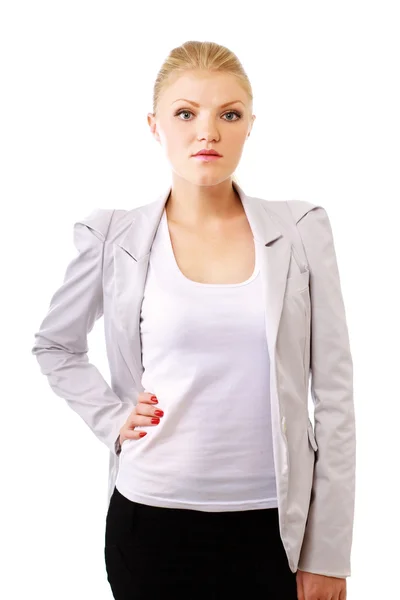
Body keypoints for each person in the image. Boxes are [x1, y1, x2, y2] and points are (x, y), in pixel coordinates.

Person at [31, 40, 355, 600]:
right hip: (150, 523)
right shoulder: (113, 237)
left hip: (275, 526)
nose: (208, 131)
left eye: (229, 114)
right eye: (186, 113)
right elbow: (55, 345)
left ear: (251, 125)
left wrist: (329, 551)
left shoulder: (301, 231)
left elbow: (335, 398)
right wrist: (111, 418)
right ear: (154, 125)